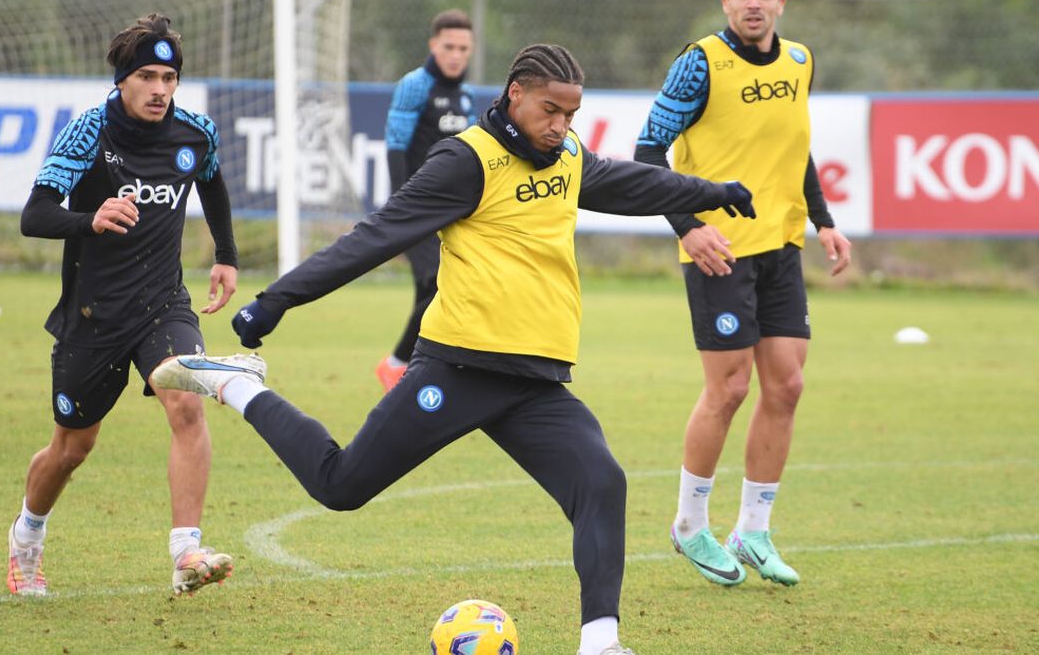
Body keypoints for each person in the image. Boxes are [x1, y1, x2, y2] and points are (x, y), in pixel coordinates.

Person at [152, 44, 755, 655]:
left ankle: (600, 643)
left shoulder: (566, 156)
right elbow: (376, 235)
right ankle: (236, 384)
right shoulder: (467, 161)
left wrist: (704, 191)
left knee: (601, 482)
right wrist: (278, 299)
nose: (561, 126)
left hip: (534, 381)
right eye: (550, 111)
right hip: (458, 366)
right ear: (515, 93)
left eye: (571, 114)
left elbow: (628, 182)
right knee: (340, 486)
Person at [634, 0, 852, 588]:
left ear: (782, 1)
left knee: (785, 386)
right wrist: (690, 227)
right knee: (728, 389)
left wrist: (825, 220)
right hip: (719, 252)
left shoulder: (800, 60)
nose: (753, 4)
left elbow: (796, 148)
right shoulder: (698, 65)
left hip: (781, 248)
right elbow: (647, 155)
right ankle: (689, 525)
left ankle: (752, 531)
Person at [9, 13, 239, 597]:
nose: (161, 89)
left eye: (169, 77)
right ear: (122, 81)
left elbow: (210, 180)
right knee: (71, 447)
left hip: (164, 305)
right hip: (93, 317)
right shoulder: (89, 132)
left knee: (187, 404)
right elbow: (34, 216)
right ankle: (26, 538)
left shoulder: (195, 131)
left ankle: (186, 551)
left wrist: (226, 254)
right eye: (147, 76)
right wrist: (92, 218)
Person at [376, 8, 476, 392]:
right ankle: (397, 365)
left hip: (453, 215)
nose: (455, 54)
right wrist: (402, 205)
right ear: (434, 45)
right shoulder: (415, 85)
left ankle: (416, 373)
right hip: (416, 209)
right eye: (448, 46)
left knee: (430, 294)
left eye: (463, 48)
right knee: (440, 286)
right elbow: (396, 145)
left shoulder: (465, 95)